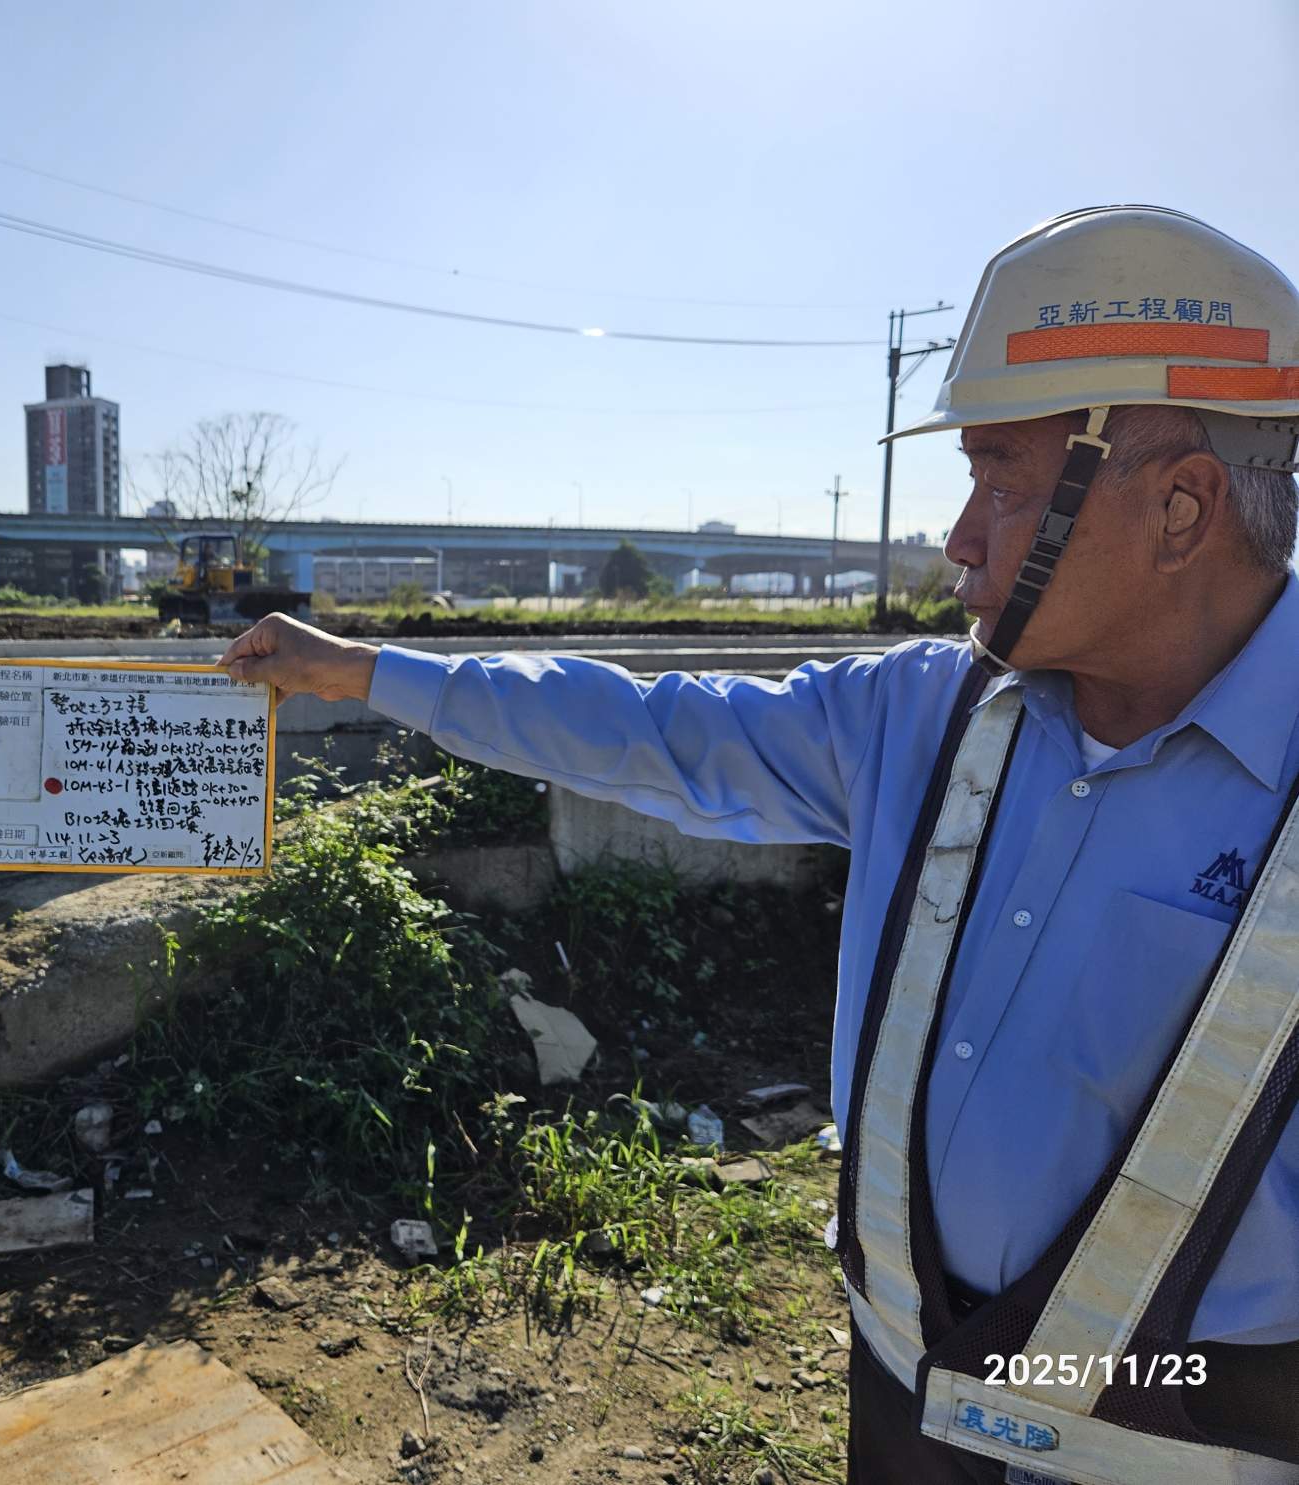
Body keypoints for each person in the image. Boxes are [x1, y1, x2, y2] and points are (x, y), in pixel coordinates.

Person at [219, 206, 1299, 1483]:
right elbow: (646, 730)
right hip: (908, 1385)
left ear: (1180, 508)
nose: (959, 539)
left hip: (1181, 1441)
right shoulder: (922, 717)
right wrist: (373, 675)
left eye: (1002, 481)